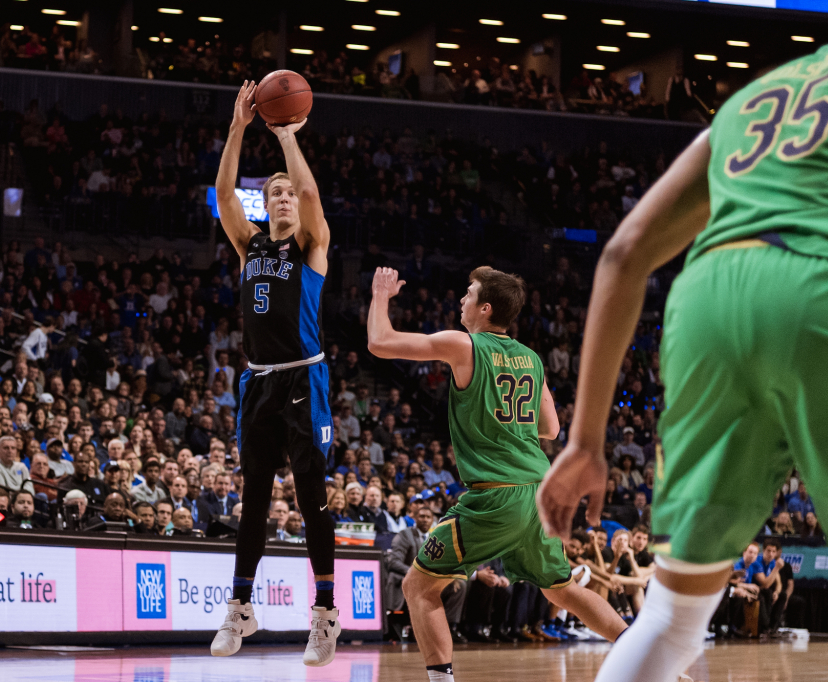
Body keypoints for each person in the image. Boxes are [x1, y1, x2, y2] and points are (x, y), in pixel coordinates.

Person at [537, 4, 828, 680]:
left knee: (674, 619)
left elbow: (622, 254)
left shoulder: (754, 96)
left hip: (708, 308)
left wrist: (585, 443)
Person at [368, 265, 626, 682]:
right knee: (561, 588)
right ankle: (649, 658)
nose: (461, 301)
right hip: (539, 493)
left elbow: (381, 342)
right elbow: (551, 428)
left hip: (497, 495)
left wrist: (380, 296)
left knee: (418, 587)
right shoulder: (531, 358)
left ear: (485, 309)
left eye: (468, 295)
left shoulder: (465, 345)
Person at [211, 80, 337, 665]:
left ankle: (324, 613)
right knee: (254, 497)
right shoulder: (250, 246)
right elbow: (224, 193)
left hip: (302, 378)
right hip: (259, 379)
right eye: (276, 193)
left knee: (311, 496)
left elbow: (310, 189)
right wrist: (239, 127)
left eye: (287, 192)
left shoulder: (311, 245)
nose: (284, 197)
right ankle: (241, 607)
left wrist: (287, 137)